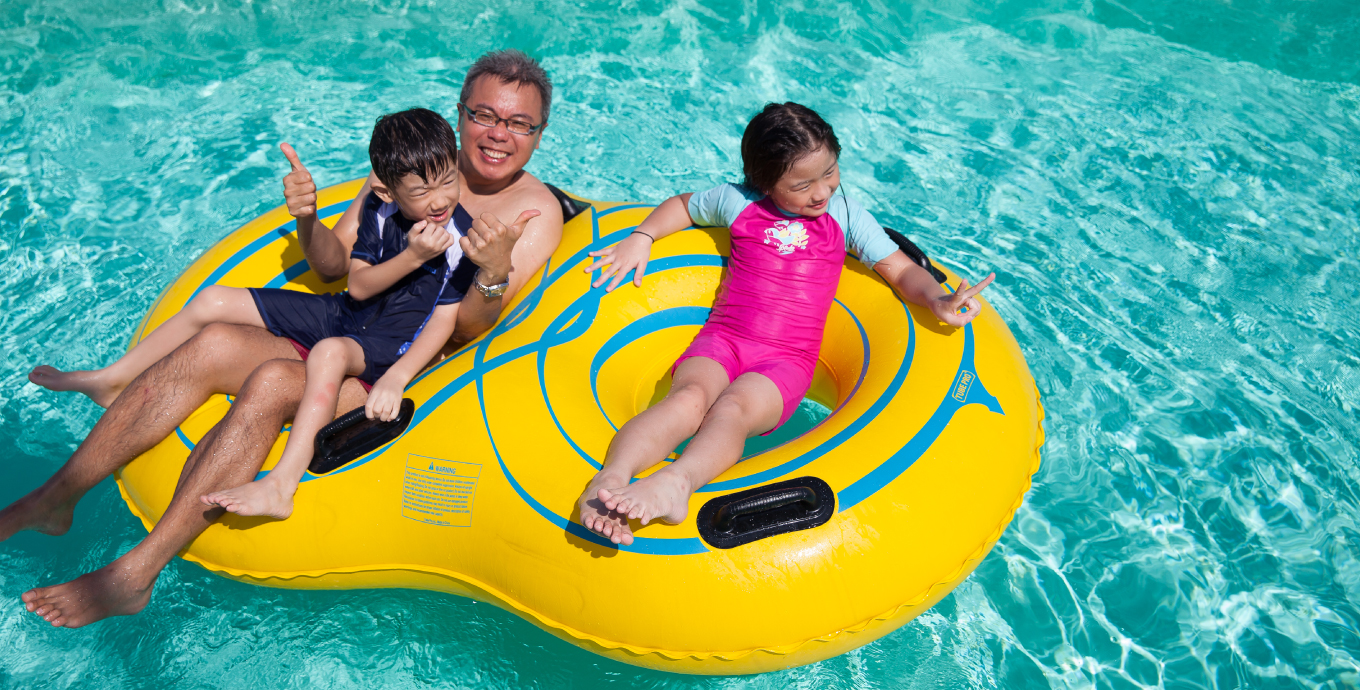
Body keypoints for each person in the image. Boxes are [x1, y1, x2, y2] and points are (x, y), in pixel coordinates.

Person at [8, 49, 564, 627]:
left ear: (539, 134)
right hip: (349, 323)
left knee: (275, 381)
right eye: (485, 116)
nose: (500, 135)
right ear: (458, 116)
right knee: (214, 341)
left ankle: (134, 576)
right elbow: (333, 267)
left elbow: (472, 325)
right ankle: (56, 498)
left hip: (409, 363)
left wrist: (494, 270)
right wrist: (307, 219)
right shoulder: (404, 168)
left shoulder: (531, 212)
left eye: (521, 123)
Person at [576, 102, 995, 547]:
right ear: (765, 182)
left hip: (786, 362)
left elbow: (898, 268)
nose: (821, 192)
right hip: (724, 338)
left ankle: (678, 482)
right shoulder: (737, 202)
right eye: (801, 184)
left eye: (830, 172)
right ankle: (608, 483)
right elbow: (683, 206)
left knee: (731, 411)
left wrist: (937, 298)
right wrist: (642, 237)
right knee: (688, 397)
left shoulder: (846, 216)